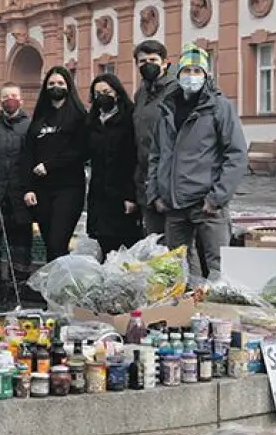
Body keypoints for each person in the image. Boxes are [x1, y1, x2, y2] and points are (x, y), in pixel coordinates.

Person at [147, 45, 248, 281]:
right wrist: (155, 194)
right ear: (179, 72)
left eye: (197, 71)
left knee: (218, 270)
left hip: (206, 204)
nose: (191, 76)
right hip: (173, 204)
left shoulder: (219, 107)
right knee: (177, 269)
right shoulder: (167, 108)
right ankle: (186, 312)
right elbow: (156, 154)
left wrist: (217, 198)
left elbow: (236, 154)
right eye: (187, 70)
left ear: (206, 75)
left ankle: (216, 312)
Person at [21, 66, 88, 265]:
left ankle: (63, 285)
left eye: (60, 83)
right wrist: (28, 188)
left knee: (59, 241)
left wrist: (50, 165)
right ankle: (52, 287)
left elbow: (80, 150)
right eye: (51, 83)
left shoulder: (78, 116)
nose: (55, 87)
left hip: (68, 188)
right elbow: (28, 153)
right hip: (41, 190)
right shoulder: (39, 118)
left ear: (68, 86)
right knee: (49, 242)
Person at [0, 84, 33, 308]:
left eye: (14, 96)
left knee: (20, 246)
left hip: (20, 196)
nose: (10, 100)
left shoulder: (30, 126)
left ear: (21, 100)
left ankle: (17, 291)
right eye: (5, 97)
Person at [85, 74, 143, 260]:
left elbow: (133, 158)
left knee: (126, 248)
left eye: (106, 92)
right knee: (105, 245)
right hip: (99, 192)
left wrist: (130, 195)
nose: (102, 96)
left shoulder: (129, 118)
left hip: (123, 192)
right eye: (97, 93)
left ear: (117, 93)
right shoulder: (92, 121)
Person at [132, 40, 174, 238]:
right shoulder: (141, 93)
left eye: (153, 60)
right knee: (152, 241)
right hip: (144, 177)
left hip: (169, 177)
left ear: (165, 63)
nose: (147, 64)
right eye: (142, 61)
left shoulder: (175, 91)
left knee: (175, 245)